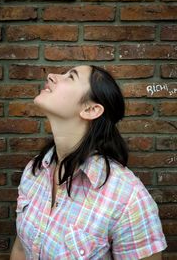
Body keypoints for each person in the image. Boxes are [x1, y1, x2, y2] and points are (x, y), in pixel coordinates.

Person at [10, 65, 167, 260]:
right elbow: (20, 250)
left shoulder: (128, 199)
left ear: (91, 109)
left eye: (71, 77)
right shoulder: (35, 171)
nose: (51, 76)